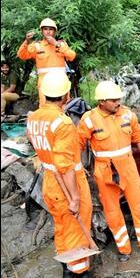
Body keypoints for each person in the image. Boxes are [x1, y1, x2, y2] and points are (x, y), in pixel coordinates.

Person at [77, 81, 140, 261]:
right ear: (102, 102)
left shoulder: (128, 115)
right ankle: (124, 249)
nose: (118, 103)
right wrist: (80, 167)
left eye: (119, 99)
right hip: (104, 170)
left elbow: (139, 139)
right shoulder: (89, 119)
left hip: (128, 167)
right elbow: (78, 145)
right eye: (113, 100)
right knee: (112, 211)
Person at [27, 72, 92, 277]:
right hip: (66, 182)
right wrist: (74, 197)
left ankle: (66, 265)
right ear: (66, 95)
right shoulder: (62, 123)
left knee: (62, 225)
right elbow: (66, 166)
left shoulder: (34, 117)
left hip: (50, 179)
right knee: (75, 226)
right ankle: (78, 271)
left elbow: (33, 140)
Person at [17, 18, 76, 107]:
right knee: (45, 107)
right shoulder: (37, 45)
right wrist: (26, 41)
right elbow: (22, 55)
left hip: (61, 82)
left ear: (55, 32)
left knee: (63, 108)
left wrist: (56, 44)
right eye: (45, 29)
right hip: (44, 84)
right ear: (42, 31)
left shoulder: (61, 44)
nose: (48, 32)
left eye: (51, 29)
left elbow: (72, 56)